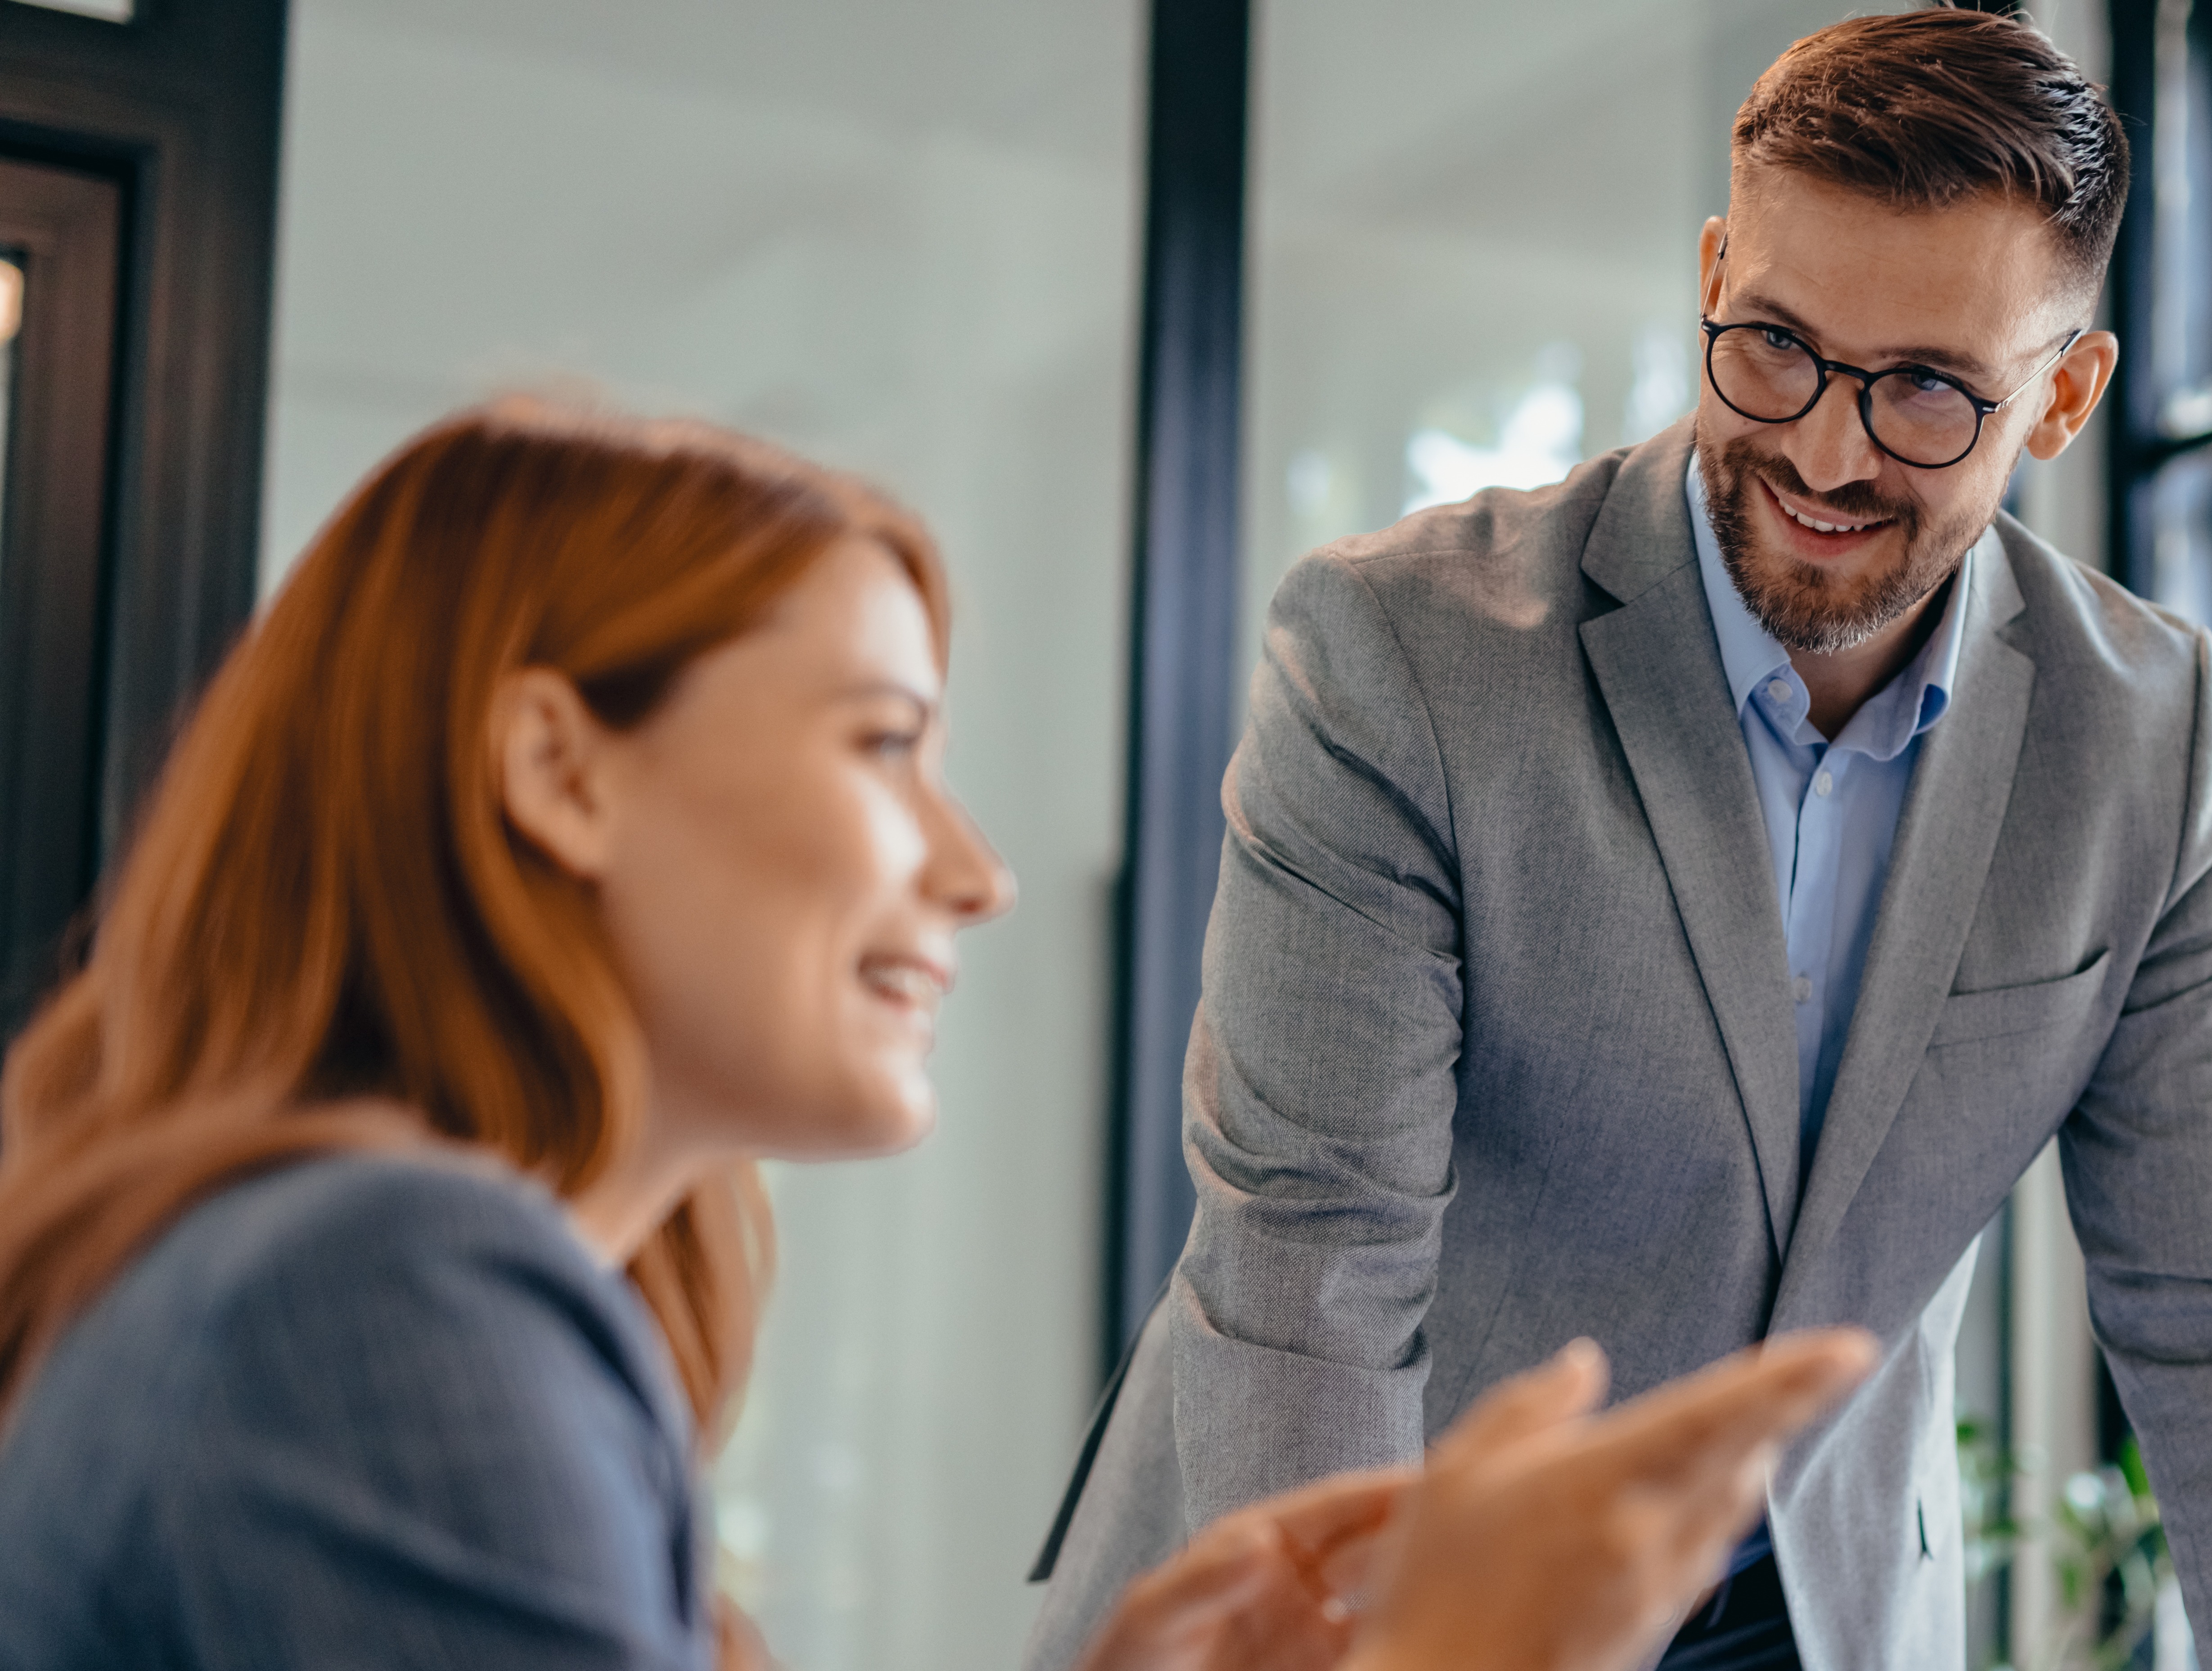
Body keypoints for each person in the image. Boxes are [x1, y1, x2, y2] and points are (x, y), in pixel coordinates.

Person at [0, 400, 1877, 1671]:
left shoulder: (335, 1278)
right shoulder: (387, 1292)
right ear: (558, 769)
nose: (974, 872)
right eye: (883, 741)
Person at [1028, 13, 2212, 1669]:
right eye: (1773, 346)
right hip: (1387, 1576)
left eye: (1926, 395)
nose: (1825, 451)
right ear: (1709, 275)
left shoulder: (2145, 734)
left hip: (1816, 1609)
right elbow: (1314, 1267)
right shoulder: (1403, 657)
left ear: (2064, 397)